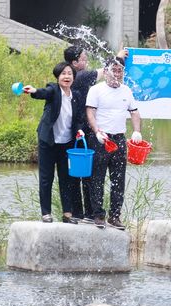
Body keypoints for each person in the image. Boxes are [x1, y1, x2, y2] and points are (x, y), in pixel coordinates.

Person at [64, 45, 128, 224]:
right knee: (88, 175)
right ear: (75, 63)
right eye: (83, 59)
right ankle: (89, 213)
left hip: (82, 128)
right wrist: (118, 57)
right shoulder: (80, 76)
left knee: (84, 174)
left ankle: (86, 213)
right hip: (85, 129)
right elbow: (106, 71)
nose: (86, 62)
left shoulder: (73, 76)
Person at [85, 57, 142, 230]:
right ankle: (98, 214)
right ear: (107, 71)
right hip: (101, 138)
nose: (117, 73)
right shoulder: (96, 90)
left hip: (119, 139)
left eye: (120, 70)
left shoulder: (126, 91)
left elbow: (134, 112)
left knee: (118, 179)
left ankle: (115, 216)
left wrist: (137, 130)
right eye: (114, 69)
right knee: (97, 178)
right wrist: (97, 132)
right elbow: (90, 113)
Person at [24, 62, 83, 223]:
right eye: (63, 74)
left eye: (70, 74)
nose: (67, 76)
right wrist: (34, 91)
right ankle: (46, 213)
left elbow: (78, 119)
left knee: (66, 179)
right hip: (48, 141)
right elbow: (43, 92)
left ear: (73, 77)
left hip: (67, 143)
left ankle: (67, 214)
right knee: (46, 178)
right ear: (57, 77)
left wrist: (79, 129)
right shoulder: (53, 90)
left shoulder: (76, 96)